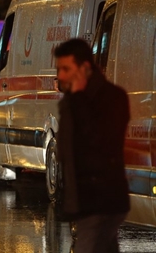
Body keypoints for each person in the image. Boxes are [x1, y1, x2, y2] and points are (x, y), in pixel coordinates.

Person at [54, 38, 130, 253]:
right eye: (59, 69)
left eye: (66, 69)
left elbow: (99, 142)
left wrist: (78, 98)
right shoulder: (71, 102)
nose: (60, 76)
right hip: (84, 200)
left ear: (85, 68)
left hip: (102, 200)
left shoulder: (113, 98)